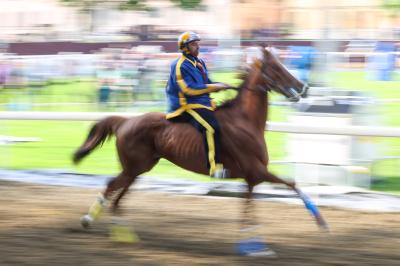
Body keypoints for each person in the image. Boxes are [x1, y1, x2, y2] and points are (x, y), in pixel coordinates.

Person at [165, 31, 231, 178]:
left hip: (202, 103)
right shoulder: (179, 65)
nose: (198, 47)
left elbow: (207, 83)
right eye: (194, 44)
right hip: (184, 106)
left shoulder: (200, 63)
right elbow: (188, 90)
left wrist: (221, 84)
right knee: (211, 127)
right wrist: (215, 87)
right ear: (185, 47)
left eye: (197, 44)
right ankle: (215, 168)